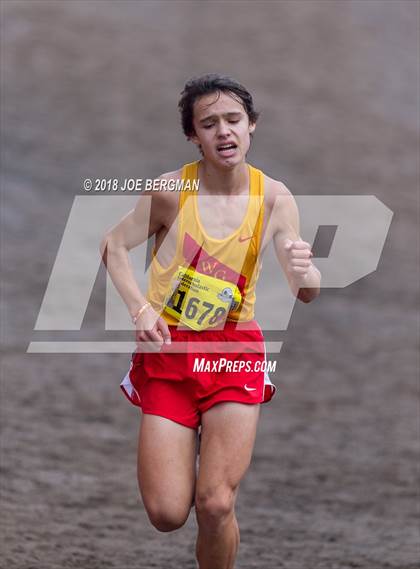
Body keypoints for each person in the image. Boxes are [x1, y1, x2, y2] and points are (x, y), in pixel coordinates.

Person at [100, 74, 321, 569]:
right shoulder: (169, 192)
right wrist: (140, 307)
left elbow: (303, 289)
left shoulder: (275, 198)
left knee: (216, 502)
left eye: (233, 120)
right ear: (193, 136)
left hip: (234, 352)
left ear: (252, 127)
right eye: (209, 123)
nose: (224, 131)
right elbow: (113, 246)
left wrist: (309, 273)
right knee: (166, 512)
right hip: (169, 353)